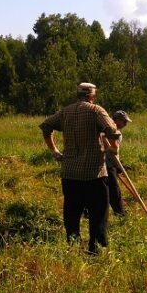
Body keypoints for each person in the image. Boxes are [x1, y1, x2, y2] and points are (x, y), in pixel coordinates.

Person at [40, 82, 121, 255]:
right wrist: (114, 148)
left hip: (70, 173)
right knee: (98, 212)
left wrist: (54, 151)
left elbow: (46, 126)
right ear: (92, 96)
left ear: (78, 94)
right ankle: (96, 249)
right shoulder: (96, 111)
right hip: (94, 173)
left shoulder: (65, 111)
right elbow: (112, 129)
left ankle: (73, 245)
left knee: (72, 211)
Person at [105, 110, 132, 217]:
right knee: (114, 191)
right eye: (124, 121)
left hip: (110, 164)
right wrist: (116, 166)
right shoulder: (112, 131)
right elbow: (112, 151)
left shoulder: (108, 129)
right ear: (116, 120)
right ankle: (120, 214)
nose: (125, 124)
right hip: (107, 165)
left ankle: (88, 213)